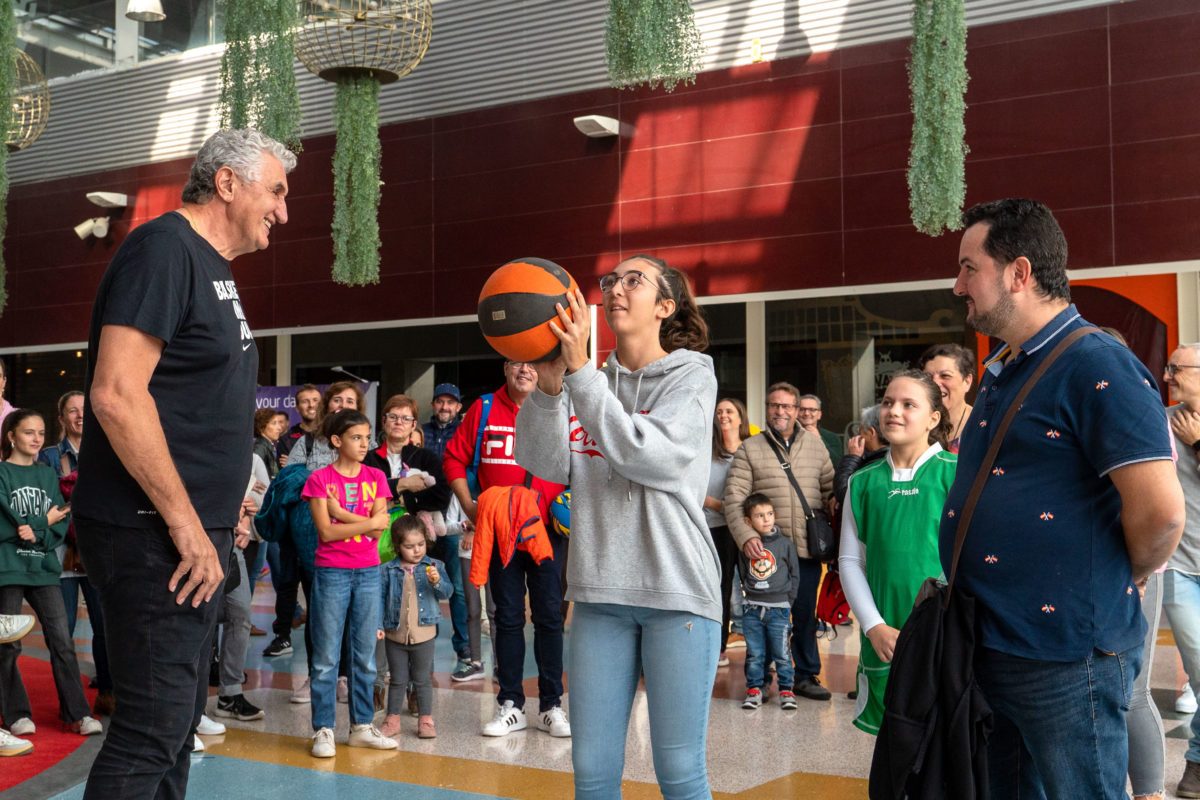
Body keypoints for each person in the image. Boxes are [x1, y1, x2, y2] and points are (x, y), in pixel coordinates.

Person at [72, 128, 295, 798]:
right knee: (150, 732)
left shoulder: (210, 266)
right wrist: (186, 523)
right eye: (276, 191)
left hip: (191, 535)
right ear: (227, 182)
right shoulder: (165, 248)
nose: (283, 211)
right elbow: (115, 393)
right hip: (154, 535)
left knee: (174, 731)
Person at [942, 198, 1183, 799]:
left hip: (1066, 657)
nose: (957, 285)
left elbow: (1161, 513)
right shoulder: (1009, 366)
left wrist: (1118, 573)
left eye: (969, 268)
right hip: (994, 644)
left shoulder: (1099, 364)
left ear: (1019, 274)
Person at [516, 254, 719, 797]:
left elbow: (647, 456)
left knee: (678, 769)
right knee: (593, 769)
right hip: (599, 594)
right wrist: (551, 388)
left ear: (666, 306)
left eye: (635, 280)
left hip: (677, 593)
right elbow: (545, 461)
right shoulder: (591, 381)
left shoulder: (693, 376)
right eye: (610, 281)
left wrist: (581, 376)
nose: (616, 289)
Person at [444, 360, 569, 739]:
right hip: (501, 530)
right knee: (508, 618)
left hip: (548, 530)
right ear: (504, 368)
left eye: (533, 363)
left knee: (549, 617)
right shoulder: (482, 409)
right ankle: (510, 703)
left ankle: (551, 705)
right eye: (517, 362)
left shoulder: (560, 409)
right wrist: (468, 505)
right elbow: (453, 458)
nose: (525, 369)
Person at [838, 370, 955, 734]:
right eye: (888, 402)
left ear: (933, 418)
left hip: (945, 639)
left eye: (909, 404)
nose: (894, 411)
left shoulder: (956, 474)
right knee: (894, 750)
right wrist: (874, 627)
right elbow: (850, 561)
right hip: (885, 641)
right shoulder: (862, 482)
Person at [724, 381, 835, 702]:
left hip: (805, 548)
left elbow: (830, 493)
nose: (780, 411)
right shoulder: (750, 448)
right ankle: (761, 678)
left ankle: (805, 675)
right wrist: (746, 537)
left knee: (804, 614)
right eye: (774, 405)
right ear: (766, 409)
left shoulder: (815, 447)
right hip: (765, 553)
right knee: (763, 619)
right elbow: (734, 499)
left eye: (787, 406)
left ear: (798, 410)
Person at [0, 409, 102, 738]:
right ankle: (15, 713)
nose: (36, 439)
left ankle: (77, 713)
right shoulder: (1, 474)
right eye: (28, 432)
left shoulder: (47, 476)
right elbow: (7, 523)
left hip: (44, 568)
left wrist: (40, 529)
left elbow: (62, 522)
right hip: (8, 569)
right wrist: (44, 521)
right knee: (8, 644)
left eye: (41, 433)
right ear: (11, 436)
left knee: (62, 641)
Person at [302, 409, 397, 758]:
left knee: (365, 656)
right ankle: (323, 729)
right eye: (356, 437)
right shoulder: (319, 480)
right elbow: (325, 533)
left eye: (367, 436)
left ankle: (360, 727)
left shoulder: (376, 475)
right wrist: (364, 523)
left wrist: (341, 513)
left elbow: (382, 525)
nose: (364, 443)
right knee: (326, 657)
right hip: (331, 572)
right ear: (337, 441)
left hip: (369, 572)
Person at [263, 380, 366, 662]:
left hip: (358, 544)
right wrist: (322, 486)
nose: (342, 406)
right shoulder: (306, 442)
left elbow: (375, 488)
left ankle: (347, 674)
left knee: (355, 614)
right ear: (326, 405)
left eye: (350, 402)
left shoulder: (369, 444)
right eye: (336, 400)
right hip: (312, 543)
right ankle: (316, 673)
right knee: (319, 611)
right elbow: (286, 485)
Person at [38, 390, 114, 716]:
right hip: (60, 554)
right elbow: (43, 502)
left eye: (84, 410)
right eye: (72, 411)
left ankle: (108, 691)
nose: (80, 416)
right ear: (61, 419)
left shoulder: (108, 451)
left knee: (105, 627)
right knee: (62, 631)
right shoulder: (49, 457)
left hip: (99, 551)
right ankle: (69, 701)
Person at [1157, 344, 1200, 799]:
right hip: (1180, 567)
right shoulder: (1161, 420)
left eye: (1177, 369)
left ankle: (1196, 765)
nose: (1168, 376)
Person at [378, 515, 453, 739]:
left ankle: (426, 720)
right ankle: (392, 720)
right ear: (397, 546)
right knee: (398, 679)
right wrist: (378, 624)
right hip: (395, 634)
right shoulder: (387, 570)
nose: (417, 550)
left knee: (422, 679)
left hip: (424, 634)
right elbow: (379, 599)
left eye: (420, 544)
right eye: (409, 546)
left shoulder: (434, 566)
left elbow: (446, 593)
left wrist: (437, 581)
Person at [737, 493, 800, 711]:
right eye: (760, 516)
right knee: (755, 653)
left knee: (782, 654)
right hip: (753, 609)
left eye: (770, 514)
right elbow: (743, 572)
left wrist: (787, 602)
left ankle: (786, 690)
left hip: (779, 610)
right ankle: (754, 689)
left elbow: (795, 575)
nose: (766, 519)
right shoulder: (746, 546)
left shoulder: (785, 545)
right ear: (748, 521)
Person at [705, 397, 750, 667]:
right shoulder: (708, 450)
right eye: (719, 411)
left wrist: (713, 503)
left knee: (755, 588)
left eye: (729, 411)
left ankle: (760, 652)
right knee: (718, 589)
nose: (723, 415)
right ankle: (718, 647)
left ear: (740, 418)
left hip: (744, 530)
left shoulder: (751, 451)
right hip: (714, 529)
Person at [918, 343, 977, 453]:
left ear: (967, 382)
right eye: (928, 377)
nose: (935, 383)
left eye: (945, 376)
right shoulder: (916, 426)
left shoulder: (983, 427)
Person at [833, 403, 888, 507]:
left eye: (861, 430)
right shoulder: (876, 456)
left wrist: (852, 458)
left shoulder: (879, 463)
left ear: (871, 432)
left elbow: (845, 493)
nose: (859, 435)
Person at [278, 384, 321, 467]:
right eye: (305, 401)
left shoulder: (330, 435)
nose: (311, 405)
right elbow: (289, 475)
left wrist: (297, 464)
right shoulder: (286, 439)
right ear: (297, 408)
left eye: (315, 400)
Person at [797, 394, 842, 462]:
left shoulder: (831, 437)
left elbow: (837, 464)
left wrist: (820, 440)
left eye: (812, 409)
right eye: (802, 409)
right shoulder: (787, 436)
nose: (806, 413)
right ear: (796, 413)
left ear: (819, 415)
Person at [422, 383, 462, 460]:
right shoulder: (420, 432)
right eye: (439, 402)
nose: (444, 407)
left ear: (458, 407)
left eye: (450, 402)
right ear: (432, 405)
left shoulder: (464, 433)